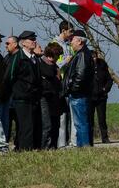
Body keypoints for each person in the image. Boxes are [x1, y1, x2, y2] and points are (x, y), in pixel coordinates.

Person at [8, 31, 42, 150]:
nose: (34, 41)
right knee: (25, 126)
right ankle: (24, 150)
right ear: (23, 43)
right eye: (31, 39)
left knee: (33, 125)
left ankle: (31, 148)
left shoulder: (35, 59)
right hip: (21, 98)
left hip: (33, 98)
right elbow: (10, 76)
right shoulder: (18, 58)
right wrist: (17, 91)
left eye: (34, 39)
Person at [63, 30, 94, 147]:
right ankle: (83, 146)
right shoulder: (82, 54)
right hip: (81, 93)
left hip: (79, 95)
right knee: (80, 123)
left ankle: (84, 147)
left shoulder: (82, 55)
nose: (70, 42)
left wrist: (72, 89)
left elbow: (80, 75)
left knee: (80, 123)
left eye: (72, 40)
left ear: (80, 41)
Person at [53, 20, 76, 148]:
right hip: (60, 82)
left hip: (69, 82)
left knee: (69, 115)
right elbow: (53, 64)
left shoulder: (69, 45)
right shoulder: (54, 44)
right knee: (62, 116)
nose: (72, 34)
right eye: (70, 31)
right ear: (63, 31)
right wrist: (65, 62)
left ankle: (70, 141)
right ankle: (60, 144)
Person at [39, 42, 63, 149]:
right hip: (45, 98)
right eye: (57, 56)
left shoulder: (55, 67)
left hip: (55, 99)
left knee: (55, 125)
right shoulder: (41, 64)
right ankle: (45, 147)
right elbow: (48, 75)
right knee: (47, 125)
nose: (58, 58)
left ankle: (53, 146)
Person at [89, 50, 113, 144]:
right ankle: (90, 138)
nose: (94, 58)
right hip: (90, 96)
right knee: (90, 119)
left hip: (101, 97)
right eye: (92, 57)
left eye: (95, 56)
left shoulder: (102, 65)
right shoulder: (87, 67)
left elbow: (109, 80)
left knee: (102, 118)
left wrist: (105, 89)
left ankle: (105, 137)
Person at [1, 36, 19, 142]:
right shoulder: (7, 57)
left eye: (8, 43)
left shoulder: (18, 57)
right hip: (7, 95)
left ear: (15, 44)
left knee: (18, 122)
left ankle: (18, 144)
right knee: (6, 121)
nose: (6, 45)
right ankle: (5, 141)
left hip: (15, 95)